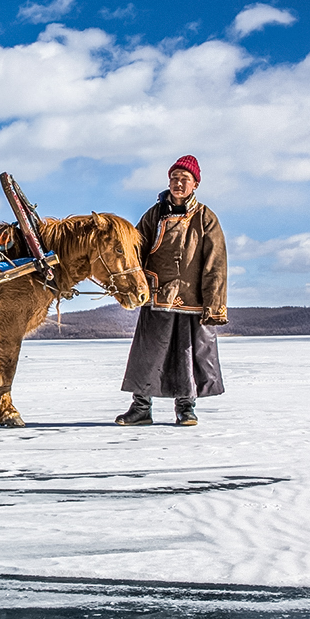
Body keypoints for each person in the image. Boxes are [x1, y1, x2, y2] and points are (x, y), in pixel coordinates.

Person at [115, 155, 227, 426]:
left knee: (187, 354)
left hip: (192, 300)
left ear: (195, 184)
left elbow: (216, 264)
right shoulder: (154, 215)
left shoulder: (206, 218)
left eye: (184, 179)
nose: (178, 183)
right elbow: (135, 250)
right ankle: (141, 408)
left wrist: (214, 304)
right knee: (147, 353)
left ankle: (186, 408)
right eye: (174, 178)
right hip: (157, 296)